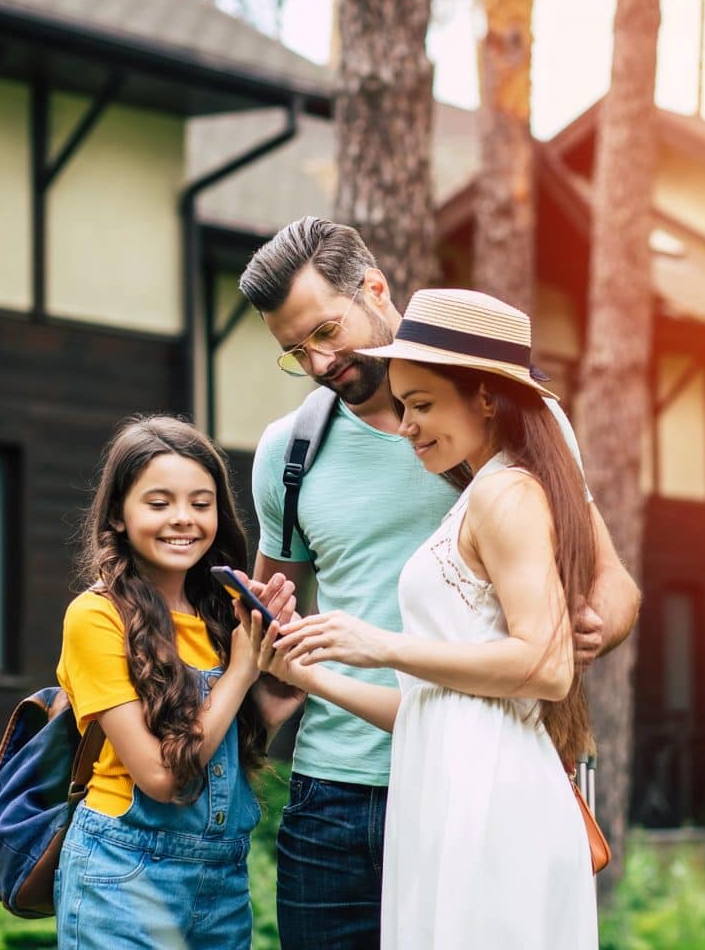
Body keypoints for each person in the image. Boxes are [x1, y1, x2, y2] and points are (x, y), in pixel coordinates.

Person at [237, 219, 639, 949]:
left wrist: (591, 626)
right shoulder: (287, 454)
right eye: (295, 351)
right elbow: (271, 628)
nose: (321, 360)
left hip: (486, 775)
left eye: (327, 330)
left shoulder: (518, 429)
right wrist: (269, 643)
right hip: (338, 799)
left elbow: (613, 583)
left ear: (376, 289)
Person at [53, 416, 296, 948]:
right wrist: (239, 671)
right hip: (124, 874)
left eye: (201, 504)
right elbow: (162, 780)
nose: (183, 520)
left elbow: (223, 763)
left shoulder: (221, 613)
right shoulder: (97, 617)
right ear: (118, 514)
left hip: (223, 879)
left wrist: (270, 706)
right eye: (158, 504)